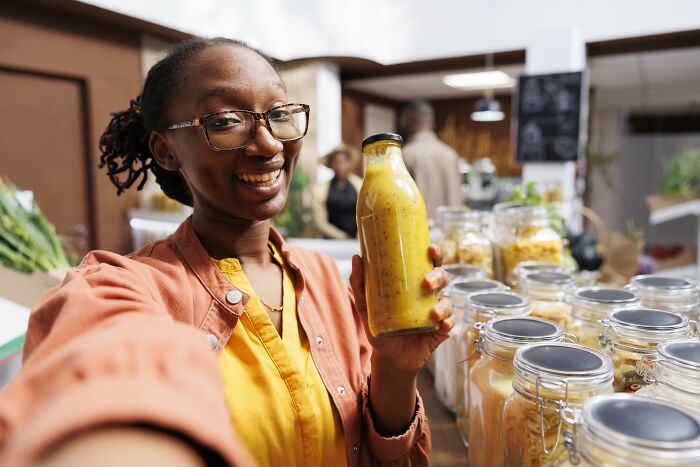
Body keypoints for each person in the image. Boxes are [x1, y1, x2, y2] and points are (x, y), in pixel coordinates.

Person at [0, 38, 454, 467]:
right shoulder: (122, 285)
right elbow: (100, 371)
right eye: (225, 122)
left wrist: (394, 365)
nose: (270, 144)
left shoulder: (321, 277)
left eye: (280, 113)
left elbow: (382, 452)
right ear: (166, 149)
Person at [399, 100, 463, 220]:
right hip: (452, 231)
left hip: (421, 231)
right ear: (432, 122)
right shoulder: (451, 154)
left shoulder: (406, 155)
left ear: (408, 124)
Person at [312, 145, 362, 239]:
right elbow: (320, 222)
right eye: (337, 162)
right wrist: (342, 237)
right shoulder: (320, 190)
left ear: (349, 164)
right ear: (331, 165)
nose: (341, 166)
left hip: (356, 240)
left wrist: (359, 235)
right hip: (331, 242)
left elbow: (365, 215)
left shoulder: (359, 185)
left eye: (344, 161)